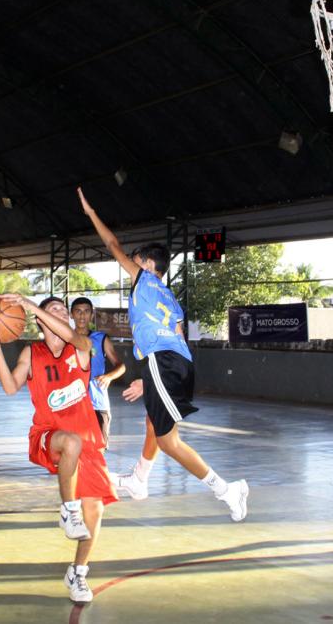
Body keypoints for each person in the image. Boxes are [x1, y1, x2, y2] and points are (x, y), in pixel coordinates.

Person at [77, 187, 249, 521]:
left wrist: (91, 214)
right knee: (152, 422)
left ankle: (227, 490)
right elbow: (180, 338)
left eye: (137, 260)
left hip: (163, 362)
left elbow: (112, 245)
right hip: (174, 362)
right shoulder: (171, 298)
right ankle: (140, 479)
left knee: (169, 441)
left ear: (148, 265)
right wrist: (150, 379)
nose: (132, 263)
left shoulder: (144, 281)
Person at [0, 294, 116, 603]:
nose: (62, 314)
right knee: (70, 441)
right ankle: (68, 509)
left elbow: (75, 338)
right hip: (48, 434)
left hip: (87, 442)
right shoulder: (32, 352)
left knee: (95, 512)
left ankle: (78, 573)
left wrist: (31, 306)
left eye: (62, 311)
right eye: (53, 310)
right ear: (41, 320)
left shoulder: (81, 347)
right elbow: (10, 387)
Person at [70, 297, 126, 448]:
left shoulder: (101, 339)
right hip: (72, 404)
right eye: (78, 311)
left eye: (86, 311)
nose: (82, 316)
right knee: (74, 450)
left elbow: (121, 366)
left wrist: (109, 376)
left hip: (97, 402)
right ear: (71, 315)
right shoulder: (65, 339)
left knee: (98, 450)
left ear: (92, 315)